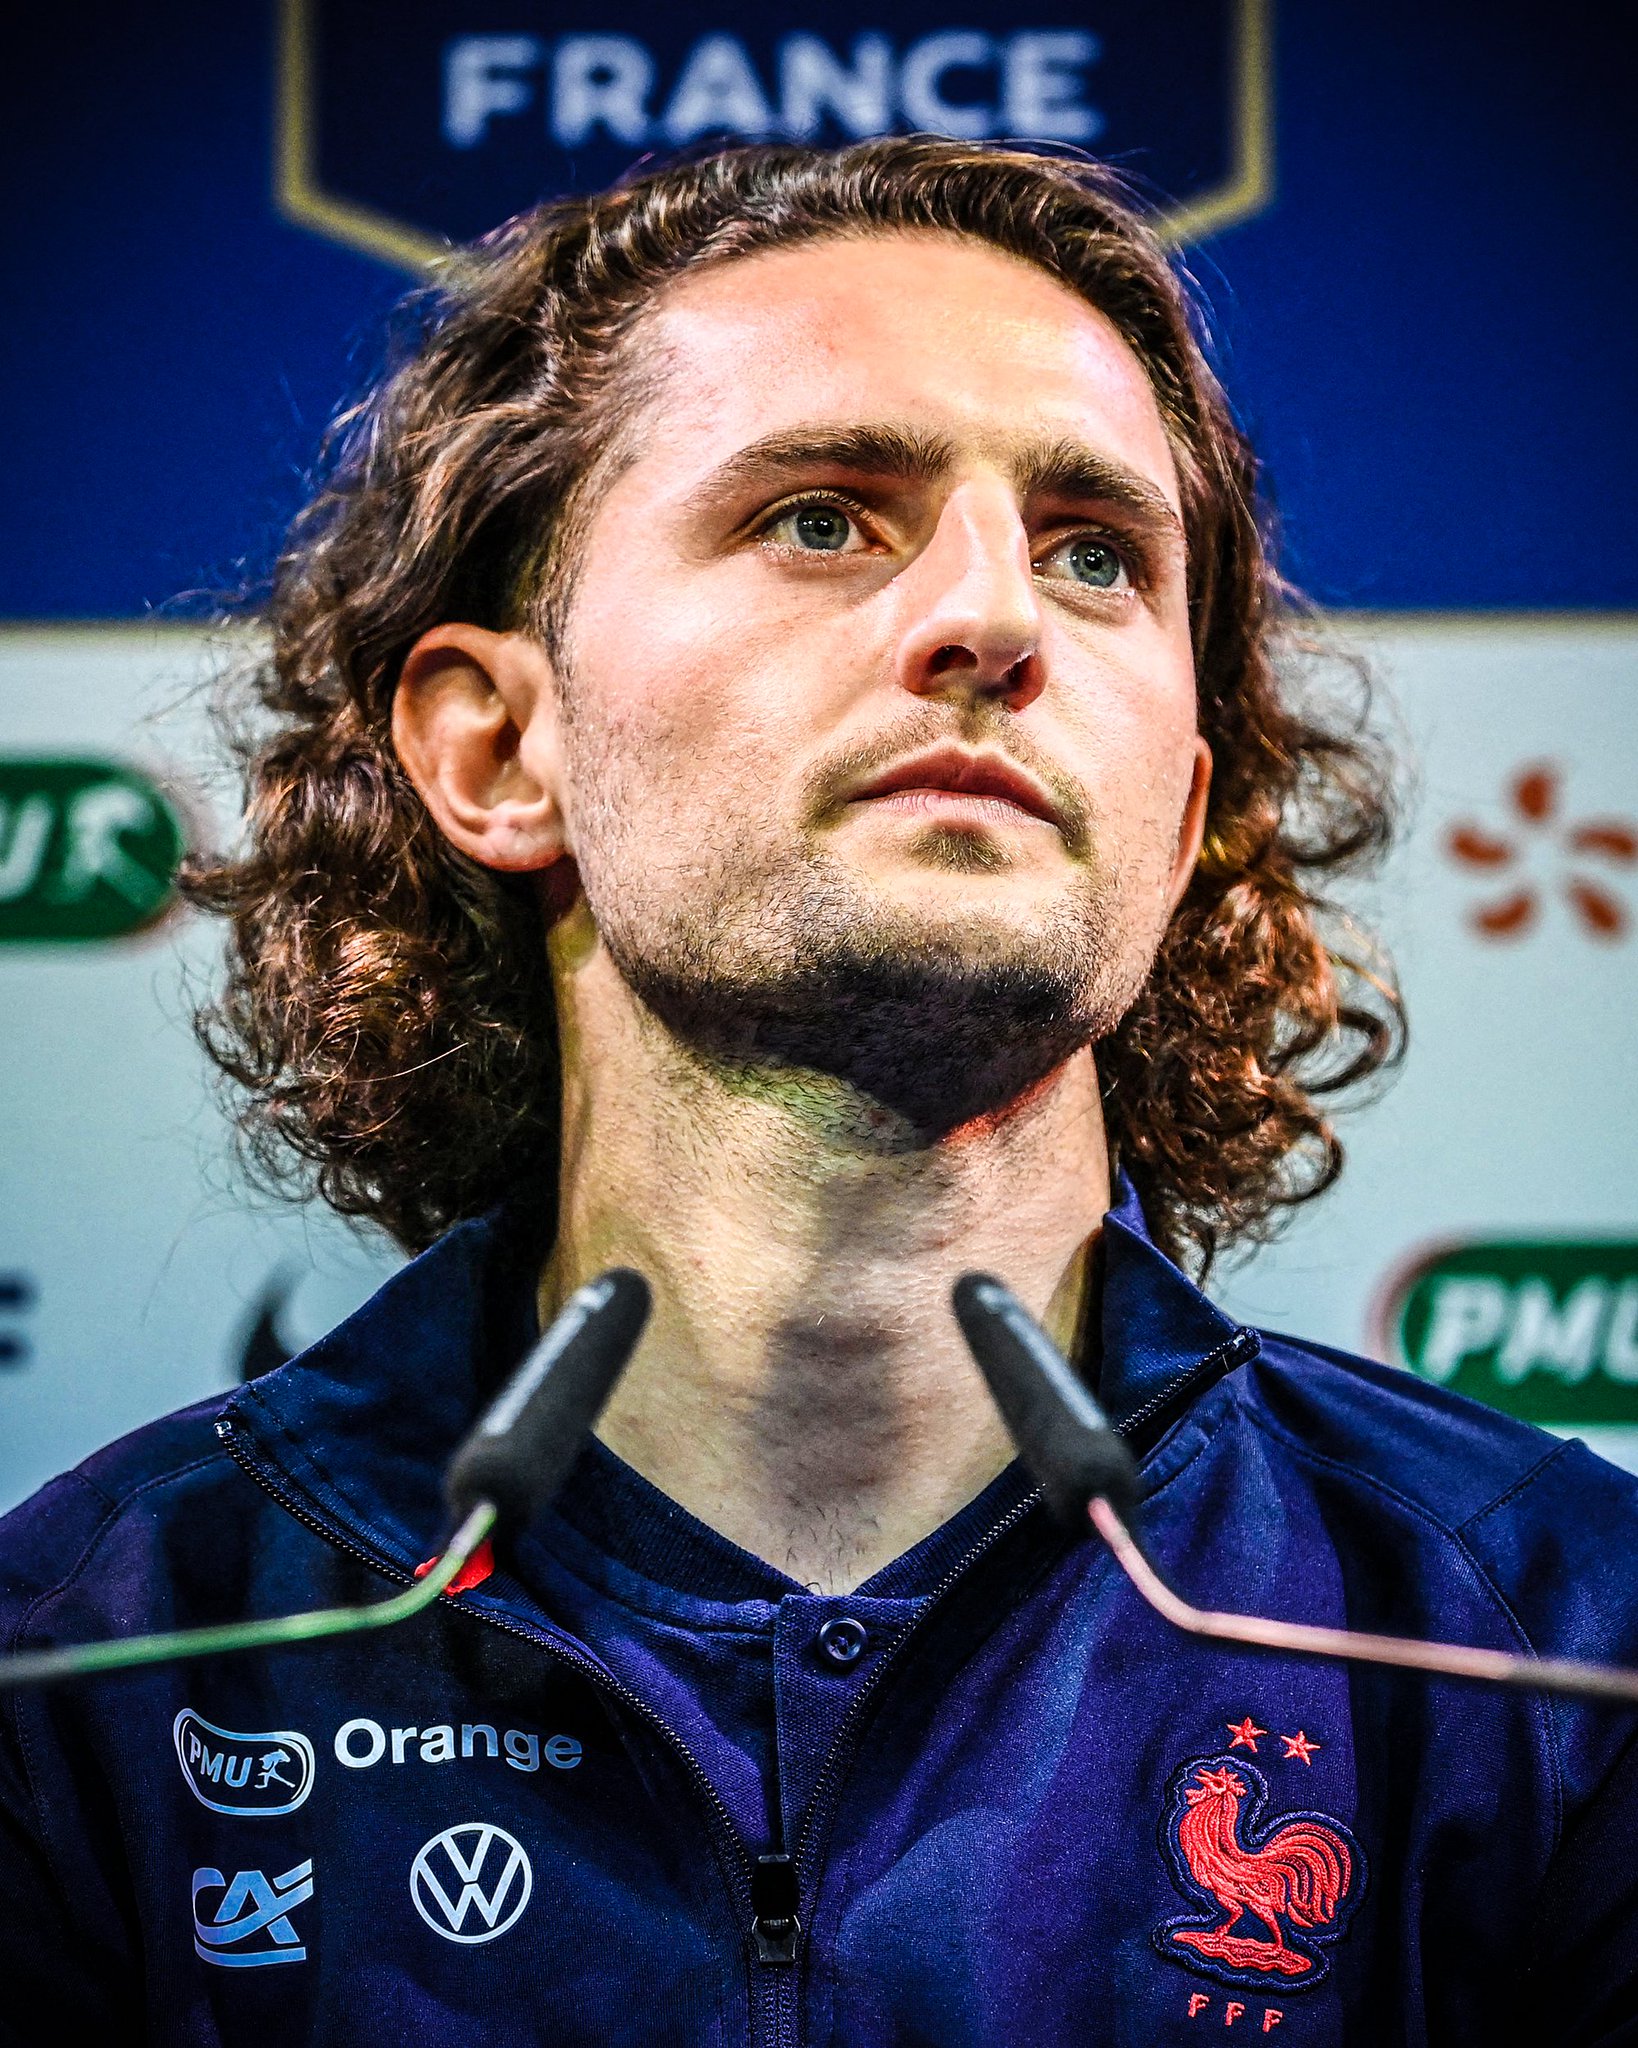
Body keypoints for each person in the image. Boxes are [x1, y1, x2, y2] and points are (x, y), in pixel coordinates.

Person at [2, 137, 1636, 2045]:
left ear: (1182, 811)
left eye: (1094, 554)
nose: (996, 620)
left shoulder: (1553, 1655)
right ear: (502, 747)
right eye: (822, 519)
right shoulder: (90, 1670)